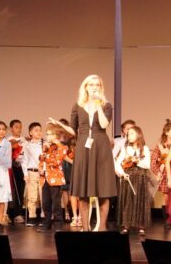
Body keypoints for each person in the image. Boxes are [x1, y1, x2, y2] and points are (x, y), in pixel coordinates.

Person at [49, 75, 117, 231]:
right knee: (83, 192)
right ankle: (85, 229)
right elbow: (73, 130)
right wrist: (59, 125)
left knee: (103, 191)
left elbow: (104, 123)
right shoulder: (77, 105)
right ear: (85, 87)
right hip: (83, 147)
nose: (94, 87)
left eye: (98, 85)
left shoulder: (107, 105)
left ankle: (102, 228)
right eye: (91, 84)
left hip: (101, 146)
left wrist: (98, 104)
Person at [115, 125, 151, 235]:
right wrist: (122, 174)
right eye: (128, 134)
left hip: (141, 178)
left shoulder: (144, 149)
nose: (128, 136)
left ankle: (141, 226)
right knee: (128, 200)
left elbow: (147, 165)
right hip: (128, 177)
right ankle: (126, 225)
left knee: (140, 200)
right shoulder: (125, 149)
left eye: (131, 133)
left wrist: (137, 161)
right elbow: (118, 163)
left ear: (138, 135)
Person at [37, 123, 69, 232]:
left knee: (56, 202)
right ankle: (47, 221)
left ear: (55, 135)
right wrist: (40, 167)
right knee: (46, 202)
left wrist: (45, 157)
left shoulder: (62, 147)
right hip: (45, 177)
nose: (47, 136)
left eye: (49, 134)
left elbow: (56, 162)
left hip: (55, 178)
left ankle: (58, 222)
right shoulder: (46, 146)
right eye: (46, 134)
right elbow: (42, 160)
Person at [149, 119, 171, 231]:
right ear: (167, 132)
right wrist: (158, 173)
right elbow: (153, 162)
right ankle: (167, 220)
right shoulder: (160, 146)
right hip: (165, 174)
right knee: (166, 198)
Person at [21, 122, 43, 227]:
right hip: (31, 172)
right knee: (32, 196)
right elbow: (24, 161)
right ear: (30, 132)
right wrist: (25, 174)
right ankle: (32, 217)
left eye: (40, 130)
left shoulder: (45, 144)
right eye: (36, 130)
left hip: (43, 173)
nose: (39, 132)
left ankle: (44, 217)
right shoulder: (27, 145)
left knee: (43, 196)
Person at [7, 119, 27, 225]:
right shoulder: (8, 140)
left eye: (20, 127)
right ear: (11, 129)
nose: (19, 129)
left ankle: (18, 214)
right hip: (11, 167)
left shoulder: (24, 140)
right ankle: (9, 214)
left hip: (21, 167)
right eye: (16, 127)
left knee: (20, 190)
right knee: (11, 191)